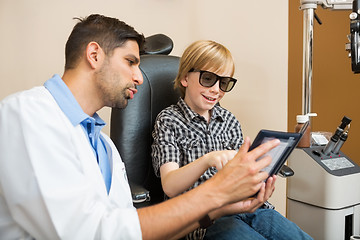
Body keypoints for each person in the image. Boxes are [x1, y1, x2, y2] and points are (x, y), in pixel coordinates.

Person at [0, 14, 281, 240]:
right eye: (131, 62)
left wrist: (218, 209)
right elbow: (84, 232)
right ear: (94, 55)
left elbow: (131, 228)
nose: (139, 77)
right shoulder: (28, 114)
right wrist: (216, 192)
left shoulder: (105, 147)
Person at [151, 40, 313, 239]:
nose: (216, 90)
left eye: (224, 83)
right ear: (185, 78)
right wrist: (208, 159)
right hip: (205, 219)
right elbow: (170, 185)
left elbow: (242, 174)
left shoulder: (229, 121)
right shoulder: (169, 120)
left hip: (249, 209)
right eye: (208, 79)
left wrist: (258, 181)